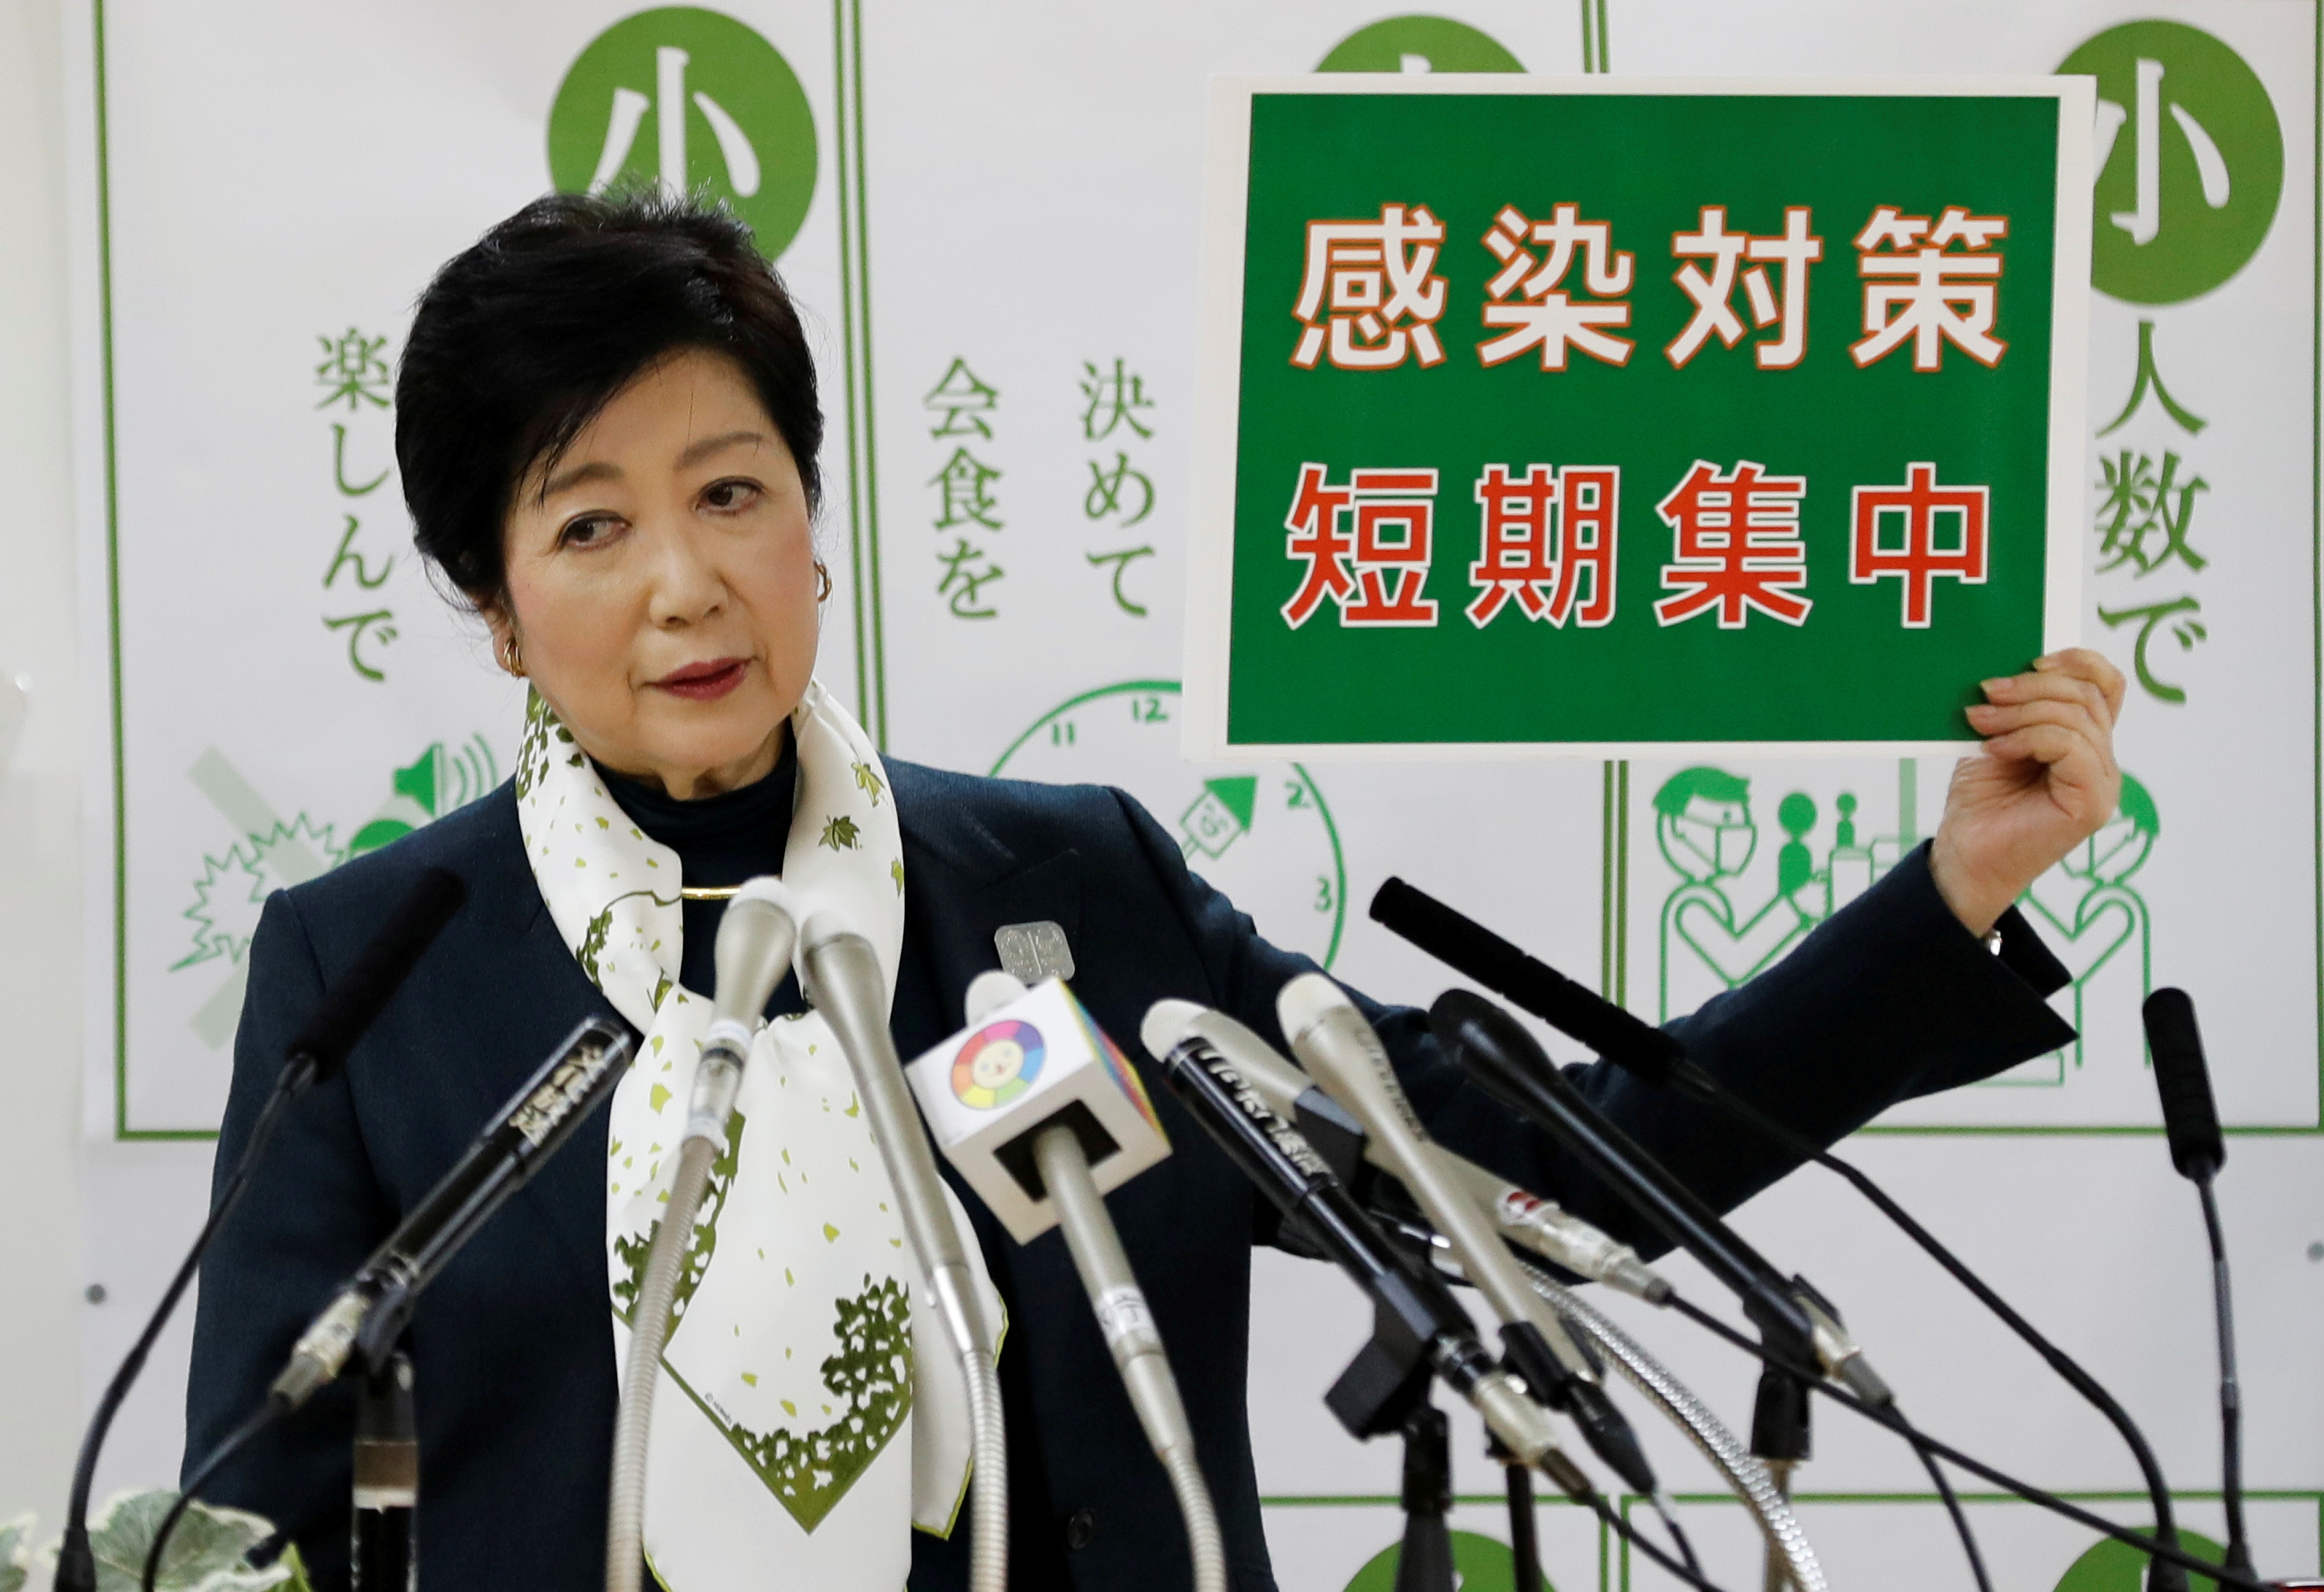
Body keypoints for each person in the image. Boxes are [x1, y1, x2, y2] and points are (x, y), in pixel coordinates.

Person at [185, 191, 2125, 1592]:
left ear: (814, 519)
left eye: (733, 489)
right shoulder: (378, 970)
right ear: (495, 608)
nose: (685, 582)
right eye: (590, 523)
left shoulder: (1068, 887)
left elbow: (1547, 1182)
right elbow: (246, 1502)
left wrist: (1950, 888)